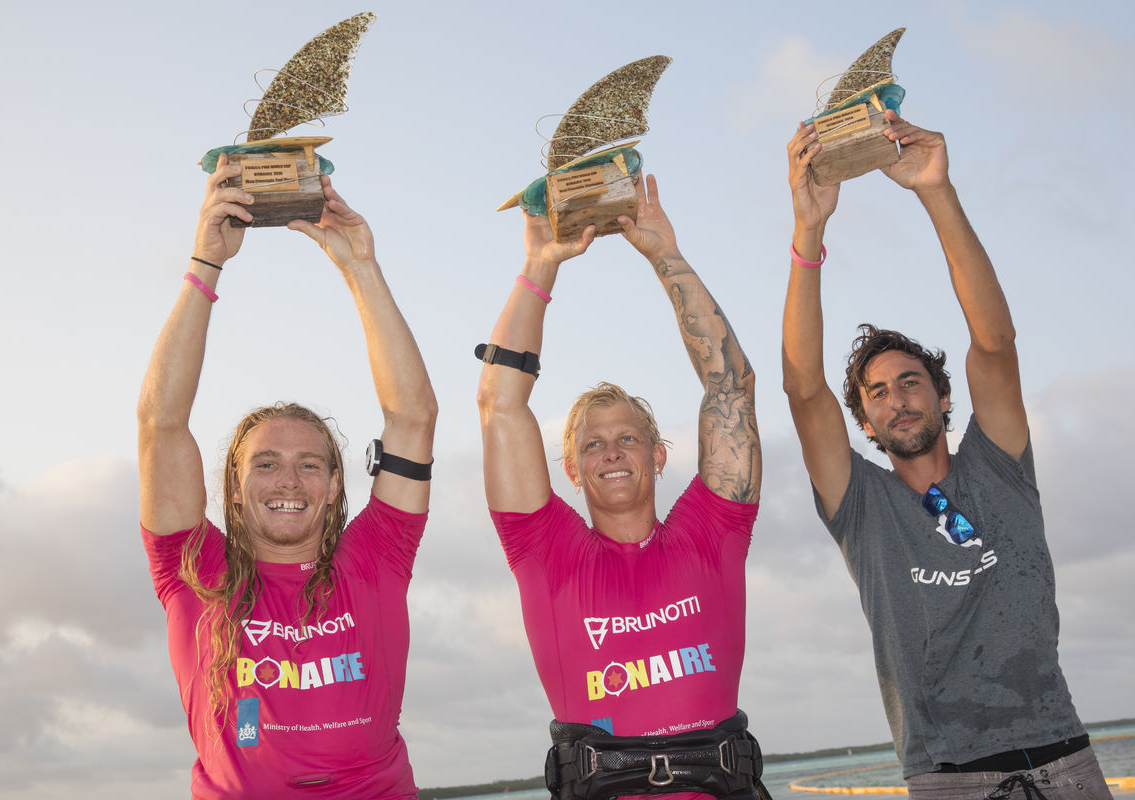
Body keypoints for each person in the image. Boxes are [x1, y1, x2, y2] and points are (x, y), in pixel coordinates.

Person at [782, 111, 1111, 799]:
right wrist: (808, 231)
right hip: (948, 778)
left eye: (911, 382)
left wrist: (936, 190)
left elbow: (995, 343)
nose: (898, 400)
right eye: (877, 393)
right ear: (864, 423)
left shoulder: (1000, 467)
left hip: (1066, 759)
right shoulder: (863, 507)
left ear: (942, 396)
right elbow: (803, 389)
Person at [138, 154, 437, 799]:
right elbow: (161, 424)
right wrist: (206, 262)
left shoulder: (377, 558)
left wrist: (360, 266)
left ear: (335, 487)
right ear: (233, 487)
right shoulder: (193, 569)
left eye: (310, 465)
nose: (289, 482)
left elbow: (413, 417)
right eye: (266, 463)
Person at [477, 174, 766, 800]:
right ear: (572, 470)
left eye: (628, 438)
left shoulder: (711, 531)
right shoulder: (545, 550)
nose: (611, 452)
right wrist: (540, 265)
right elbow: (500, 405)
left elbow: (731, 388)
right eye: (592, 444)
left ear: (658, 456)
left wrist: (666, 254)